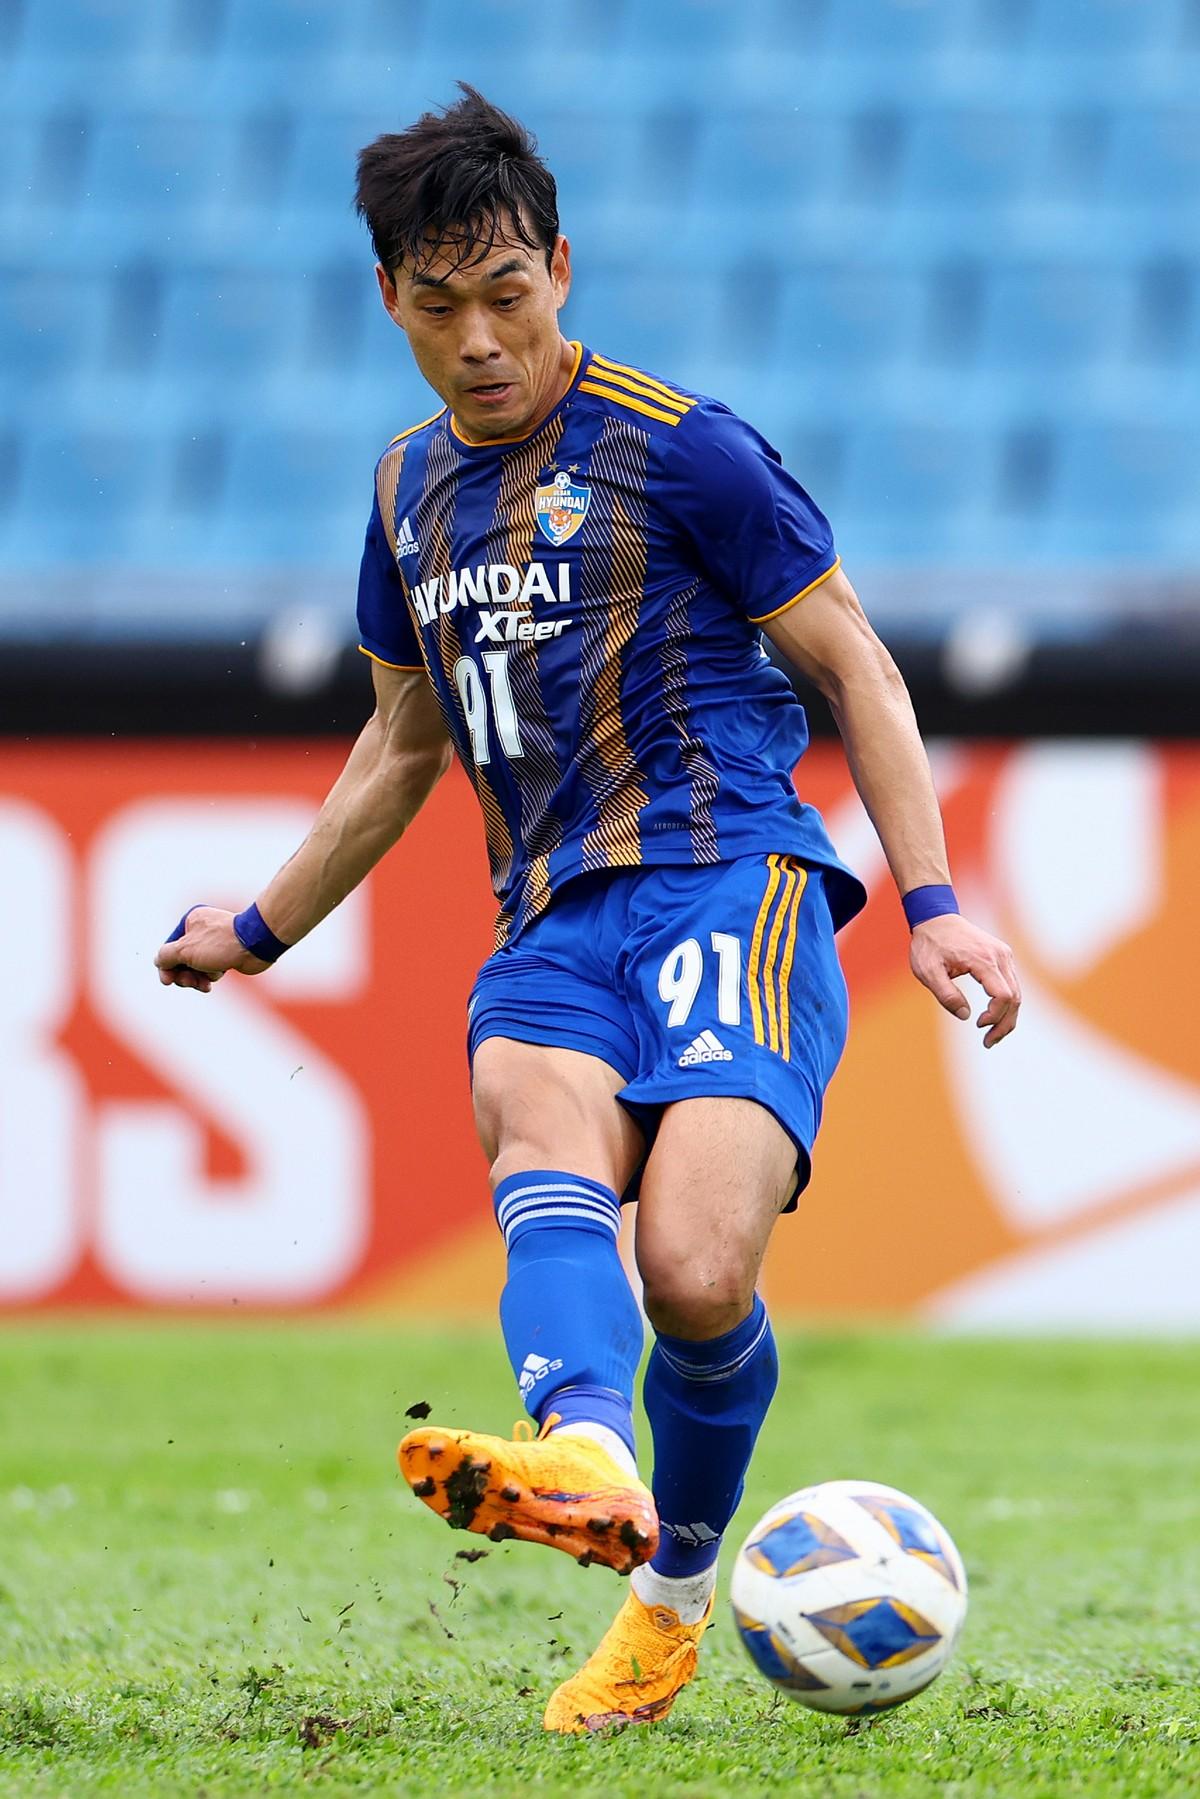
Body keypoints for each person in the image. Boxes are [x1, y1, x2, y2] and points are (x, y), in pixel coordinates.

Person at [156, 85, 1021, 1734]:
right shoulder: (407, 494)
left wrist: (933, 902)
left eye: (508, 295)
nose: (480, 341)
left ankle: (671, 1596)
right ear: (390, 299)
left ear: (560, 269)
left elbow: (857, 665)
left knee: (692, 1274)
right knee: (529, 1117)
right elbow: (400, 746)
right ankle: (586, 1461)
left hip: (733, 886)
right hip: (550, 920)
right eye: (439, 307)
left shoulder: (683, 449)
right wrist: (257, 930)